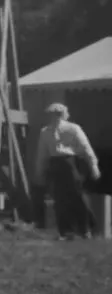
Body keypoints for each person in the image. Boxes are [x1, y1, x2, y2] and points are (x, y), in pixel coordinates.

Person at [34, 102, 101, 240]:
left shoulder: (73, 129)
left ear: (64, 115)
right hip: (55, 164)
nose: (56, 117)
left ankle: (85, 229)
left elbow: (85, 147)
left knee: (77, 196)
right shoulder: (45, 132)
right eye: (53, 114)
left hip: (70, 162)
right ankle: (65, 231)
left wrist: (93, 165)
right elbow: (42, 153)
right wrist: (40, 171)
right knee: (59, 199)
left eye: (59, 114)